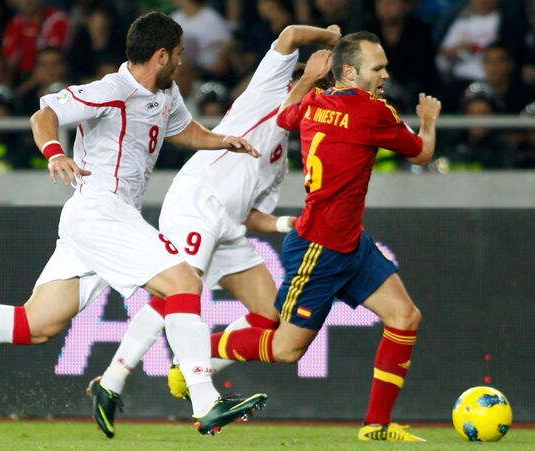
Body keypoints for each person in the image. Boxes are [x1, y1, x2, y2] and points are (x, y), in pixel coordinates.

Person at [0, 12, 266, 436]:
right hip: (100, 210)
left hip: (107, 219)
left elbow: (181, 129)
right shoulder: (111, 89)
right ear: (161, 55)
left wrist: (219, 140)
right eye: (180, 55)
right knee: (185, 282)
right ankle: (205, 400)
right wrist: (56, 153)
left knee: (36, 324)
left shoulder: (165, 93)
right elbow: (44, 114)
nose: (183, 62)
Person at [184, 31, 441, 442]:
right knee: (286, 349)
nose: (385, 74)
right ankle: (196, 353)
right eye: (378, 68)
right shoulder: (374, 112)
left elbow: (284, 117)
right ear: (351, 72)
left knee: (405, 317)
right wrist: (428, 120)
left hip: (349, 241)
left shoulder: (313, 103)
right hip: (319, 247)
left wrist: (306, 80)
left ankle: (376, 425)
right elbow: (423, 153)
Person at [87, 24, 341, 439]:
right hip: (196, 202)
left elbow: (251, 216)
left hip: (226, 227)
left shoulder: (280, 160)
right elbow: (292, 33)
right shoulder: (270, 87)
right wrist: (330, 40)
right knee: (179, 292)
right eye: (318, 87)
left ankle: (192, 364)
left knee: (271, 316)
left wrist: (283, 224)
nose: (320, 97)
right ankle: (114, 382)